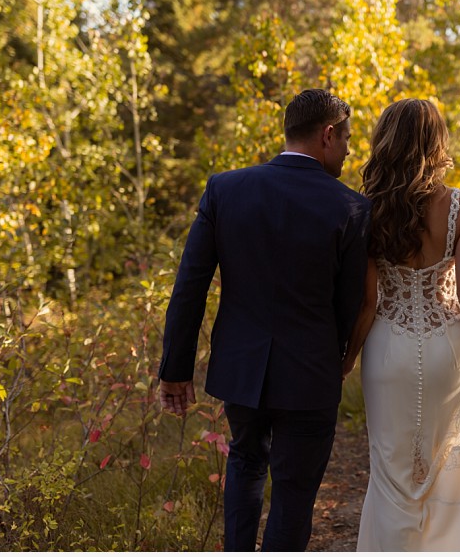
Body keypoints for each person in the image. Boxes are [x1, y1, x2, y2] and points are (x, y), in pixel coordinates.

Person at [157, 89, 371, 551]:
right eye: (348, 137)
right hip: (311, 372)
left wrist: (175, 370)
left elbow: (190, 285)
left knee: (245, 462)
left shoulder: (225, 188)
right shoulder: (352, 208)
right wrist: (336, 357)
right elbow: (350, 303)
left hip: (241, 368)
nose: (351, 149)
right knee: (294, 492)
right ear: (328, 135)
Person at [343, 98, 460, 551]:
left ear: (386, 142)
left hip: (387, 345)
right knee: (440, 466)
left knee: (390, 473)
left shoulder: (366, 208)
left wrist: (346, 359)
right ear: (436, 142)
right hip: (446, 347)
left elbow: (368, 302)